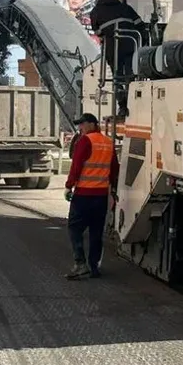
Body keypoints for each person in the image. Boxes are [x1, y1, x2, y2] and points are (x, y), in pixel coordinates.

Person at [63, 113, 119, 280]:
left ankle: (81, 265)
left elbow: (76, 165)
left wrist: (68, 186)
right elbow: (114, 170)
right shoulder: (109, 143)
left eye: (82, 124)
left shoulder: (85, 141)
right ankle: (94, 267)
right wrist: (113, 191)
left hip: (83, 195)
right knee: (96, 232)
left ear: (91, 124)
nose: (80, 128)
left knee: (74, 228)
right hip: (100, 196)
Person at [87, 0, 144, 117]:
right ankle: (133, 101)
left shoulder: (96, 11)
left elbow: (98, 31)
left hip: (113, 48)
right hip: (131, 45)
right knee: (131, 74)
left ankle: (123, 106)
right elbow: (140, 24)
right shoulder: (126, 8)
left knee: (117, 77)